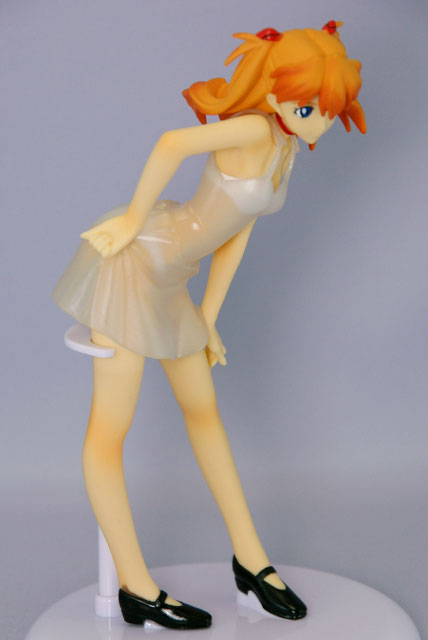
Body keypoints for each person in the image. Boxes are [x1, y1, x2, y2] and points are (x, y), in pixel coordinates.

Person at [53, 21, 366, 630]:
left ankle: (251, 561)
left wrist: (209, 316)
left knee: (204, 412)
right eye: (310, 108)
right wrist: (132, 219)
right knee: (109, 432)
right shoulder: (254, 128)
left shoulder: (285, 145)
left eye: (329, 111)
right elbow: (172, 142)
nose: (321, 123)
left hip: (175, 278)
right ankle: (135, 587)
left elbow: (236, 234)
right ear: (275, 95)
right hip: (135, 261)